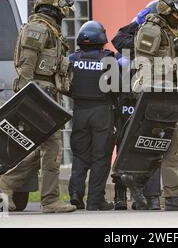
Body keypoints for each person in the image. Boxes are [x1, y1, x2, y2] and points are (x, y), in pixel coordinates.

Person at [0, 0, 77, 213]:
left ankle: (6, 184)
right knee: (52, 148)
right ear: (55, 8)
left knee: (44, 147)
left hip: (45, 95)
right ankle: (49, 200)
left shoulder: (49, 30)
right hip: (38, 95)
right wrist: (27, 97)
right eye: (64, 10)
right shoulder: (39, 29)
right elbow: (27, 65)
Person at [125, 0, 178, 211]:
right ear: (167, 10)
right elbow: (143, 62)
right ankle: (173, 197)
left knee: (169, 144)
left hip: (173, 94)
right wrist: (154, 94)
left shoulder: (171, 29)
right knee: (173, 145)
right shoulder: (152, 30)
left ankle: (138, 182)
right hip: (161, 96)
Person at [111, 0, 162, 210]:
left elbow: (119, 39)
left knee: (145, 147)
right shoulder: (142, 34)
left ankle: (145, 197)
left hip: (147, 97)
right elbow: (118, 39)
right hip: (134, 99)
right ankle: (126, 197)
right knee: (134, 146)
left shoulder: (164, 37)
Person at [68, 20, 116, 211]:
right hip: (102, 111)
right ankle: (96, 201)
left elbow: (66, 86)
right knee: (100, 157)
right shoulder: (109, 60)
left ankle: (75, 195)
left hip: (79, 110)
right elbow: (117, 87)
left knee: (80, 154)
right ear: (102, 39)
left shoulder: (72, 59)